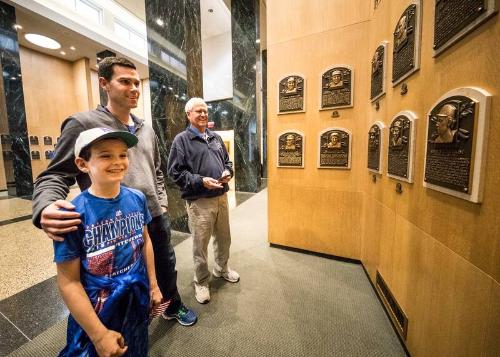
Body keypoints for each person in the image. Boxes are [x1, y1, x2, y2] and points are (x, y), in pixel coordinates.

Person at [32, 57, 197, 326]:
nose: (134, 88)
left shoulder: (146, 129)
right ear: (104, 83)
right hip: (111, 222)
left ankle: (171, 305)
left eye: (136, 82)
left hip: (152, 214)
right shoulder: (83, 124)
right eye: (124, 81)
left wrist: (162, 202)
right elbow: (54, 174)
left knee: (165, 266)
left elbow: (155, 169)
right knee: (119, 278)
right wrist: (45, 206)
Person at [54, 127, 161, 356]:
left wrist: (153, 285)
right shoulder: (73, 214)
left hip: (135, 299)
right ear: (83, 164)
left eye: (123, 154)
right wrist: (99, 335)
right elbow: (68, 282)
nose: (118, 162)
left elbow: (145, 241)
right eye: (105, 155)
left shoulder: (137, 198)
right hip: (97, 309)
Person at [167, 97, 239, 305]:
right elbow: (175, 173)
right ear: (188, 115)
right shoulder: (181, 140)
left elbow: (228, 160)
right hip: (200, 201)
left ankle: (221, 268)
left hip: (221, 198)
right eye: (198, 111)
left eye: (205, 111)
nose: (203, 114)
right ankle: (201, 280)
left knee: (224, 238)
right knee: (200, 244)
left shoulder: (214, 137)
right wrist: (200, 181)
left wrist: (228, 171)